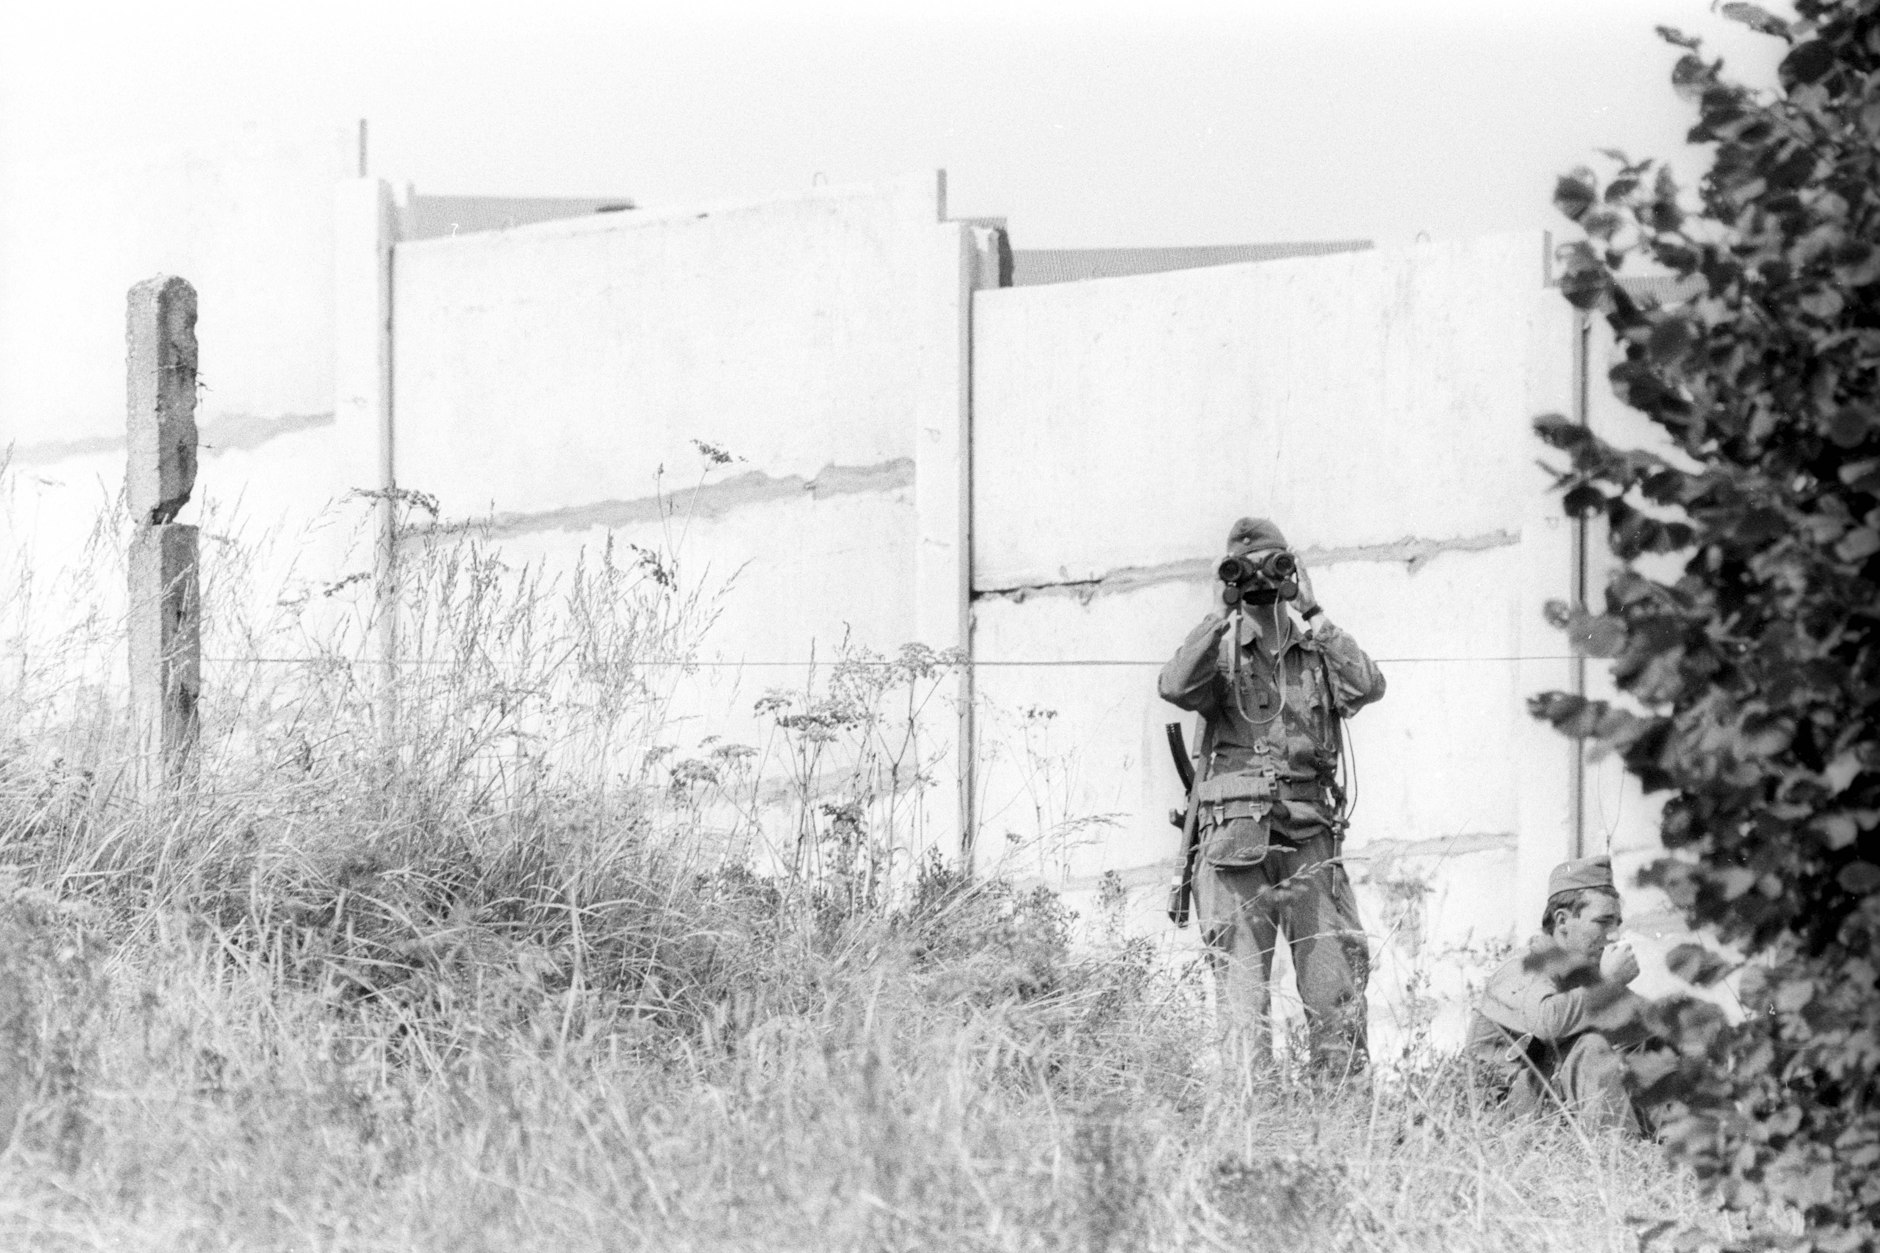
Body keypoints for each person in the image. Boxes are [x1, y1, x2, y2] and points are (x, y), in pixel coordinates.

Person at [1158, 516, 1387, 1075]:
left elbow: (1368, 685)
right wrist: (1220, 612)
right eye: (1247, 570)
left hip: (1310, 835)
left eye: (1275, 566)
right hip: (1236, 844)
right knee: (1242, 1006)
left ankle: (1344, 1128)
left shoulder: (1316, 652)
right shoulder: (1220, 653)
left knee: (1336, 990)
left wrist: (1315, 611)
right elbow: (1174, 685)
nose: (1262, 580)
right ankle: (1250, 1140)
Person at [1465, 855, 1652, 1135]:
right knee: (1589, 1046)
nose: (1615, 936)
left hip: (1550, 1110)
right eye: (1603, 922)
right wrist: (1609, 983)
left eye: (1617, 922)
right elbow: (1548, 1023)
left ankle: (1677, 1156)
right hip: (1500, 1122)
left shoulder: (1580, 974)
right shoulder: (1524, 966)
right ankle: (1624, 1162)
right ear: (1562, 921)